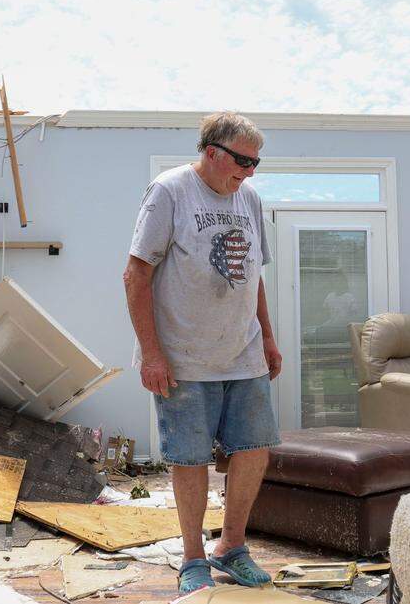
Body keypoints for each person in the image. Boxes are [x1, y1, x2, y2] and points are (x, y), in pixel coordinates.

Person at [123, 112, 282, 594]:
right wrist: (152, 354)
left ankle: (231, 548)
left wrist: (269, 338)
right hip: (183, 358)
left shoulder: (249, 198)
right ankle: (193, 557)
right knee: (189, 458)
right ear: (211, 151)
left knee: (254, 450)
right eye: (242, 160)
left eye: (256, 162)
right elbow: (136, 275)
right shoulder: (169, 191)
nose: (250, 171)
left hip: (243, 353)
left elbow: (253, 277)